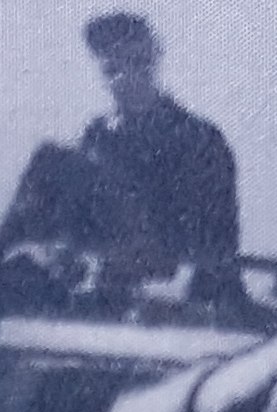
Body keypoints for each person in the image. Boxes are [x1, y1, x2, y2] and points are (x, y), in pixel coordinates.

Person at [74, 13, 240, 291]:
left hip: (172, 286)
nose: (124, 78)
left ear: (152, 62)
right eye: (111, 69)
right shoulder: (97, 137)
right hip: (106, 286)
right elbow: (80, 226)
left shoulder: (198, 138)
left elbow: (215, 242)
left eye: (136, 63)